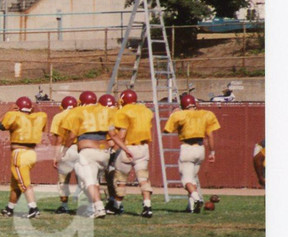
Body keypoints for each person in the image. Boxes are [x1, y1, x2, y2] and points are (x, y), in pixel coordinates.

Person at [59, 92, 132, 219]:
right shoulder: (105, 112)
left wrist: (63, 151)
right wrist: (125, 149)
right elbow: (113, 135)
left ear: (81, 101)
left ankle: (98, 207)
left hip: (87, 152)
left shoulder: (77, 112)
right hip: (104, 153)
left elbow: (71, 136)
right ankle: (92, 207)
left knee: (88, 182)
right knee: (91, 181)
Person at [162, 93, 221, 213]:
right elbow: (210, 135)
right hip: (200, 150)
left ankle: (196, 198)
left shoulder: (180, 115)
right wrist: (212, 152)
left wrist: (173, 114)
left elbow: (166, 130)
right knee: (193, 179)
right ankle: (192, 207)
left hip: (187, 148)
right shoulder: (205, 114)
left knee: (186, 180)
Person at [0, 96, 48, 219]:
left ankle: (33, 208)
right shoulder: (39, 116)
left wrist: (8, 111)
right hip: (32, 153)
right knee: (16, 184)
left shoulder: (14, 115)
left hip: (20, 153)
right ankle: (9, 208)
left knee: (24, 183)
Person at [107, 89, 155, 218]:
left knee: (121, 180)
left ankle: (116, 206)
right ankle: (147, 206)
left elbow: (121, 135)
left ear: (123, 99)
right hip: (143, 147)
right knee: (143, 179)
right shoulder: (146, 110)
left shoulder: (123, 112)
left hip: (127, 149)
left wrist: (114, 150)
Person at [48, 96, 79, 214]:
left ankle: (64, 205)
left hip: (66, 148)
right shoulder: (81, 114)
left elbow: (59, 138)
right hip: (81, 147)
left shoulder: (59, 117)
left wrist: (56, 155)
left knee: (63, 179)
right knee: (84, 178)